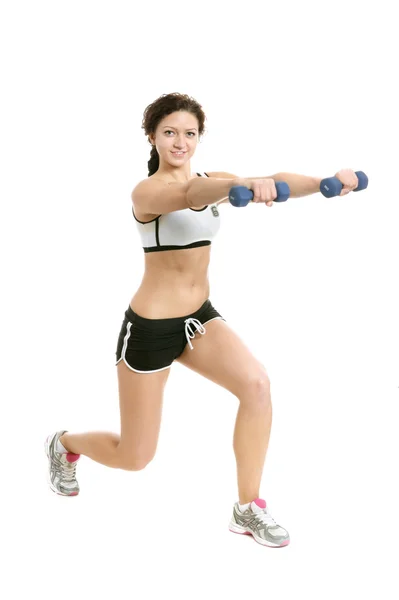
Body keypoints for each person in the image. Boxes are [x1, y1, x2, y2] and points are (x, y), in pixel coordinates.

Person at [45, 92, 359, 548]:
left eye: (189, 133)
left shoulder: (218, 180)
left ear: (198, 138)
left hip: (199, 319)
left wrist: (329, 180)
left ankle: (247, 507)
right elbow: (189, 194)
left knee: (256, 386)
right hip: (151, 328)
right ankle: (64, 443)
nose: (180, 142)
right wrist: (243, 187)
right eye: (170, 132)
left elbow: (273, 180)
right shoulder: (147, 191)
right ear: (152, 136)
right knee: (135, 457)